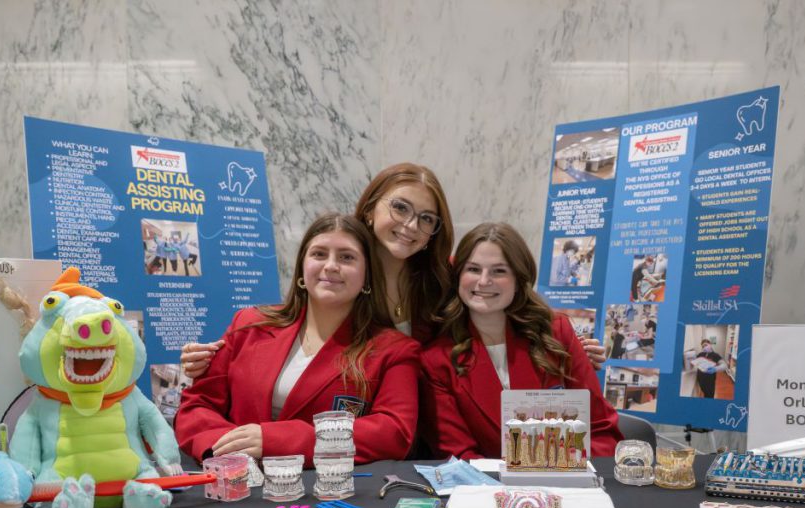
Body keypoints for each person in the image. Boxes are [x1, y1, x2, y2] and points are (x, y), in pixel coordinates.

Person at [179, 164, 608, 373]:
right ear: (369, 208)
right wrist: (217, 358)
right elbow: (292, 332)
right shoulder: (337, 271)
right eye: (400, 208)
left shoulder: (447, 275)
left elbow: (511, 306)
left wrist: (563, 344)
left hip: (441, 428)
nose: (410, 226)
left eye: (426, 219)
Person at [175, 213, 420, 465]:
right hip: (237, 484)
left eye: (347, 257)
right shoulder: (248, 324)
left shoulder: (395, 350)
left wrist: (275, 441)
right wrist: (229, 448)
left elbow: (394, 433)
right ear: (302, 267)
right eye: (319, 254)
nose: (331, 266)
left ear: (367, 275)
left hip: (327, 491)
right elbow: (196, 406)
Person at [420, 223, 622, 461]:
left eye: (499, 271)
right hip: (490, 491)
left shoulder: (557, 333)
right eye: (473, 269)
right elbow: (460, 456)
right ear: (458, 277)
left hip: (569, 486)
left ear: (519, 278)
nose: (484, 281)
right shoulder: (435, 361)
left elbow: (601, 431)